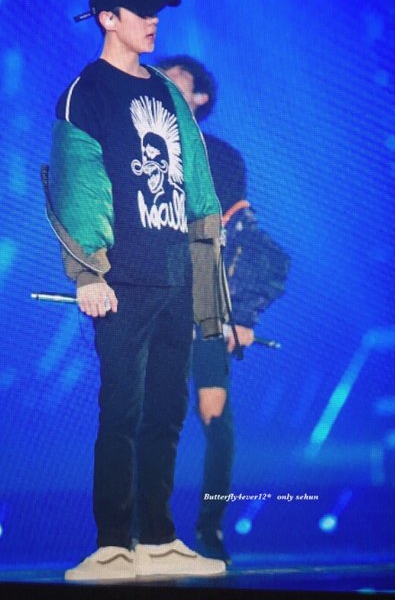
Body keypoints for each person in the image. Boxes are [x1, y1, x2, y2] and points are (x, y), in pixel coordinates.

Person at [41, 0, 230, 581]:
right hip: (122, 281)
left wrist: (207, 285)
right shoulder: (86, 92)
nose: (152, 21)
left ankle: (158, 536)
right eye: (140, 11)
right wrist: (88, 273)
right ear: (107, 18)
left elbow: (197, 185)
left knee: (166, 413)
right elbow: (77, 186)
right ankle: (112, 544)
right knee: (121, 411)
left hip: (176, 275)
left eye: (156, 11)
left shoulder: (167, 91)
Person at [157, 55, 290, 564]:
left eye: (178, 81)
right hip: (150, 295)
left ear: (200, 98)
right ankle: (146, 531)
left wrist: (244, 315)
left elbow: (241, 239)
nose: (165, 86)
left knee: (214, 413)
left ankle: (209, 529)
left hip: (205, 298)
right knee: (148, 413)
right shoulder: (130, 149)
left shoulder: (222, 157)